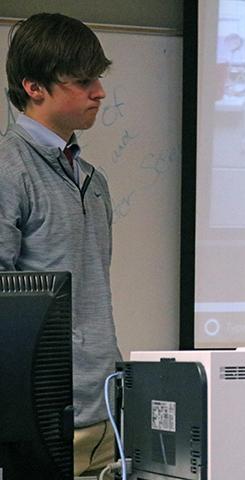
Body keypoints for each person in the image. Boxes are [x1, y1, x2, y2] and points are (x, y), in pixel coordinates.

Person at [0, 13, 120, 475]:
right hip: (38, 420)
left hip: (105, 407)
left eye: (98, 78)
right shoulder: (10, 172)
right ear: (34, 87)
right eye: (83, 80)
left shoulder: (93, 180)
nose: (99, 92)